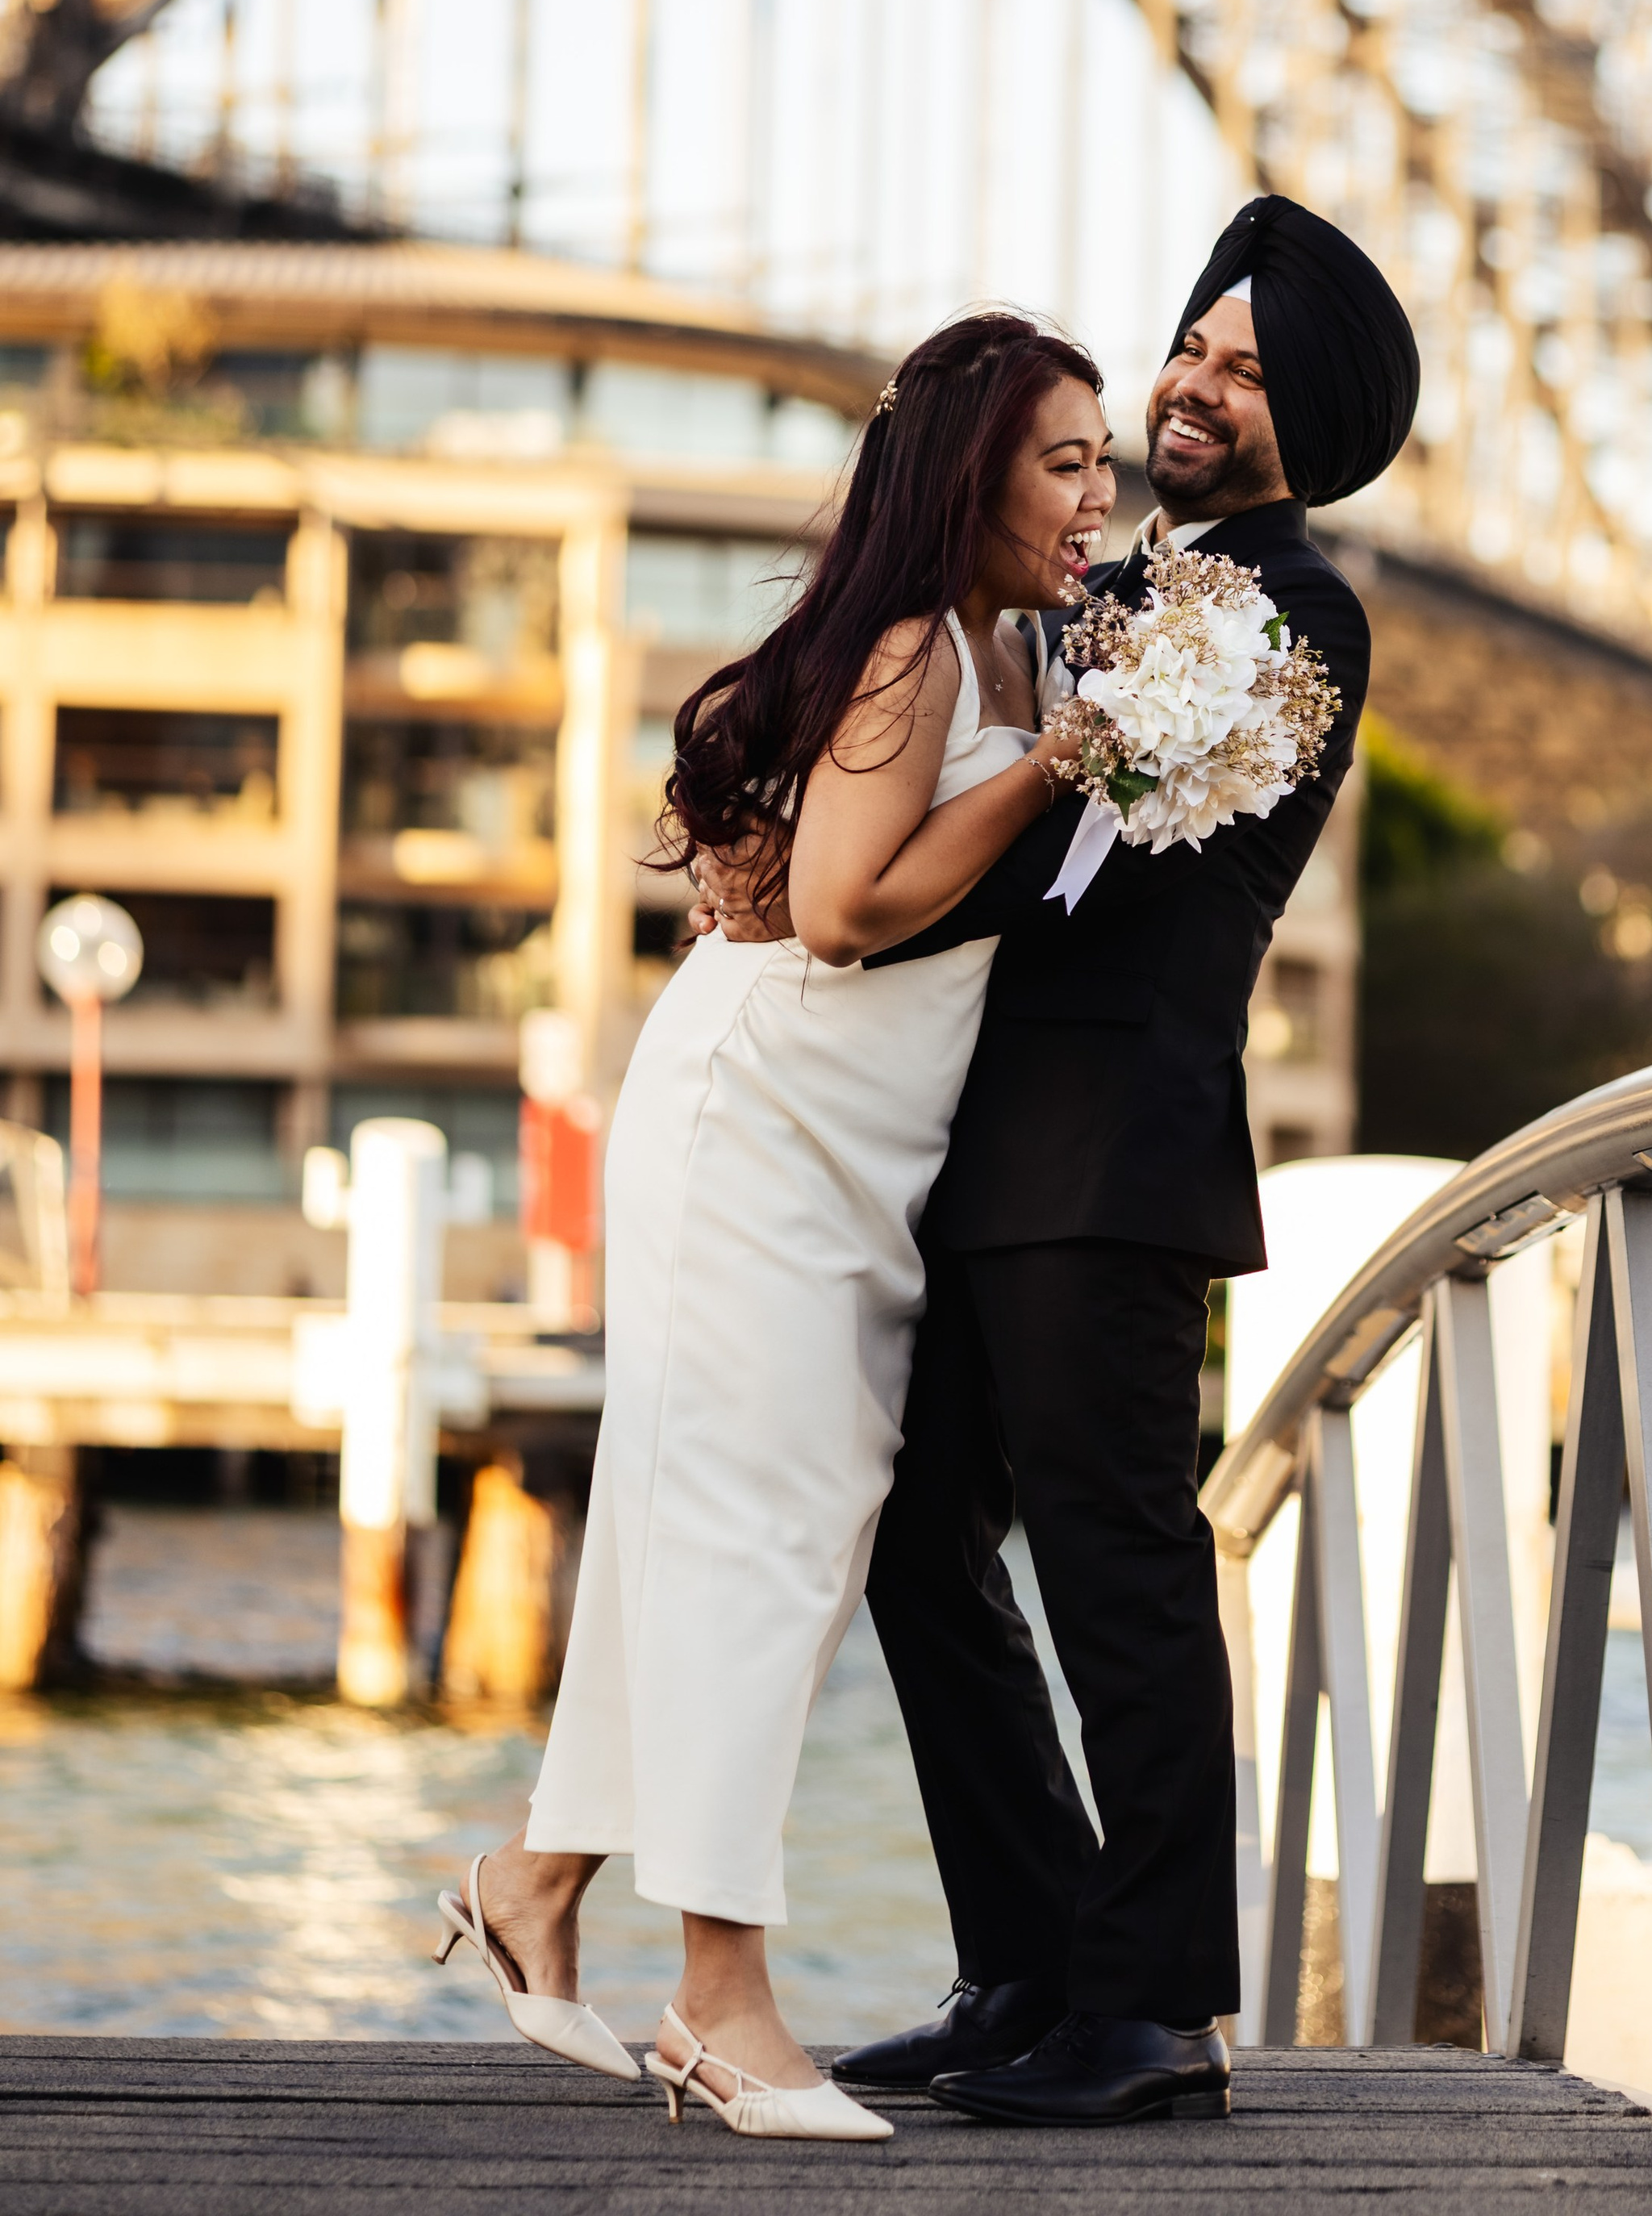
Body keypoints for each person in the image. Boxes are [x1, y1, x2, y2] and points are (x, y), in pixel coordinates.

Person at [701, 193, 1418, 2127]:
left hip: (1107, 1157)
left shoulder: (1287, 621)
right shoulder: (1094, 597)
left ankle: (1158, 2007)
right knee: (917, 1540)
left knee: (1118, 1570)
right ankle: (1023, 1961)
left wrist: (830, 897)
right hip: (974, 1150)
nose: (1193, 383)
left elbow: (1043, 849)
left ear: (1310, 419)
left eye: (1244, 372)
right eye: (1192, 344)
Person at [433, 312, 1116, 2143]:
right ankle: (721, 2004)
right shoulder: (917, 648)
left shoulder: (992, 641)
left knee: (727, 1520)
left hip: (830, 1139)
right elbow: (835, 906)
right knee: (761, 1532)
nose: (1094, 489)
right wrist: (1059, 762)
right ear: (970, 475)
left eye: (1100, 456)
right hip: (763, 1127)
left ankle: (537, 1886)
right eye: (1062, 458)